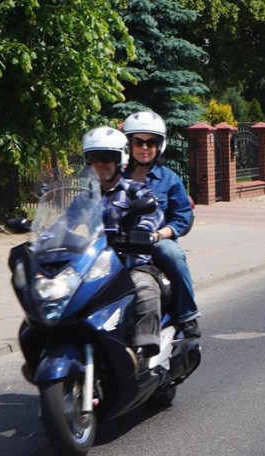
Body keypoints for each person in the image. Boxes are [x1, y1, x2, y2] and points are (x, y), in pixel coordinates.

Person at [84, 125, 164, 369]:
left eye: (107, 158)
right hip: (93, 268)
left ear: (121, 159)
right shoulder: (83, 197)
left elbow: (154, 213)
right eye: (94, 158)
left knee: (146, 289)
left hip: (129, 265)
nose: (101, 164)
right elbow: (65, 223)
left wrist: (143, 230)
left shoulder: (135, 189)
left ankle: (144, 349)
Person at [122, 110, 201, 339]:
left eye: (151, 142)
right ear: (129, 144)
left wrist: (158, 235)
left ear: (160, 145)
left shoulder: (169, 179)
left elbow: (182, 217)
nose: (145, 147)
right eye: (138, 141)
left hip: (154, 242)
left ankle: (187, 315)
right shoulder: (117, 177)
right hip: (121, 242)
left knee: (172, 253)